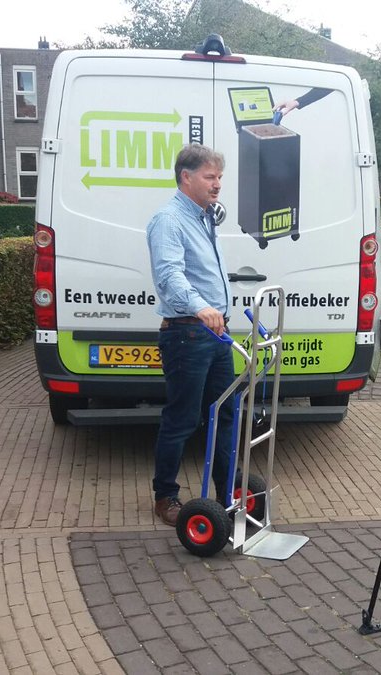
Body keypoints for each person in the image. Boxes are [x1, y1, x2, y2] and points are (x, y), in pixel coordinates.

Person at [147, 144, 236, 527]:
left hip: (215, 335)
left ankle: (227, 493)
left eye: (219, 177)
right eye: (209, 177)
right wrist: (200, 306)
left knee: (227, 414)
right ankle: (165, 496)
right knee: (182, 419)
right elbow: (169, 274)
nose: (217, 184)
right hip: (187, 334)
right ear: (186, 177)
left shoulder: (203, 218)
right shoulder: (168, 220)